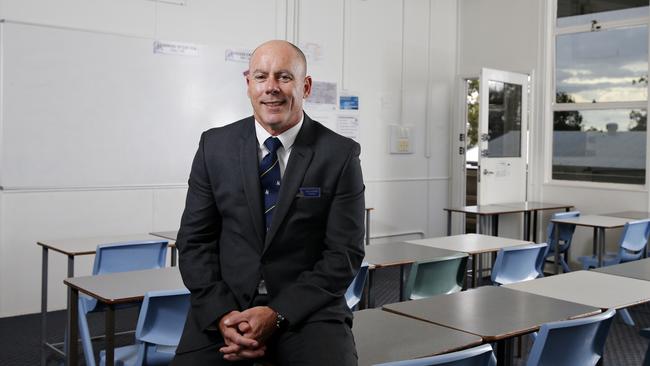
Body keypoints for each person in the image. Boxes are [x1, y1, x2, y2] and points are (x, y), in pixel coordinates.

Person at [172, 40, 365, 365]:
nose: (271, 88)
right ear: (249, 84)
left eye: (284, 77)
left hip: (307, 310)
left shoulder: (340, 155)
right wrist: (223, 317)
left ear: (305, 86)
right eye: (261, 77)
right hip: (226, 307)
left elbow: (344, 255)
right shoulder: (214, 147)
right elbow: (194, 242)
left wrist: (277, 313)